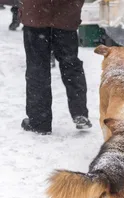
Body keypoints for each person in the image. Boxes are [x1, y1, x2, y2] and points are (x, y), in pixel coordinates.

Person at [20, 0, 92, 135]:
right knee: (70, 64)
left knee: (37, 67)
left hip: (36, 13)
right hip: (66, 15)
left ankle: (39, 122)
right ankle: (79, 112)